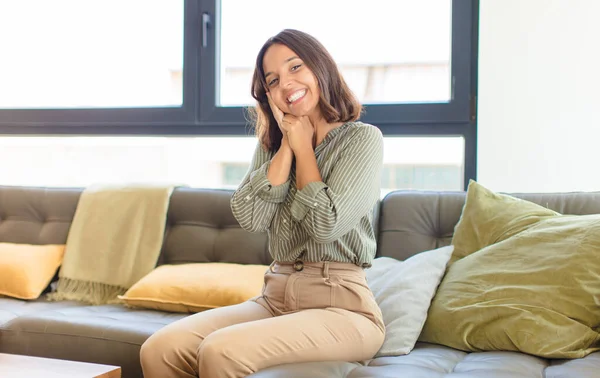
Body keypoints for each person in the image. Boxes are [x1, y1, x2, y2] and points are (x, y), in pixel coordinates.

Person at [140, 28, 385, 378]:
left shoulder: (362, 139)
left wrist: (303, 149)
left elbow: (325, 225)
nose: (286, 84)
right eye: (273, 80)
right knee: (160, 350)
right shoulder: (271, 147)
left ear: (320, 68)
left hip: (343, 308)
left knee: (221, 351)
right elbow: (250, 216)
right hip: (275, 298)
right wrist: (287, 143)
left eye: (295, 67)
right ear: (267, 94)